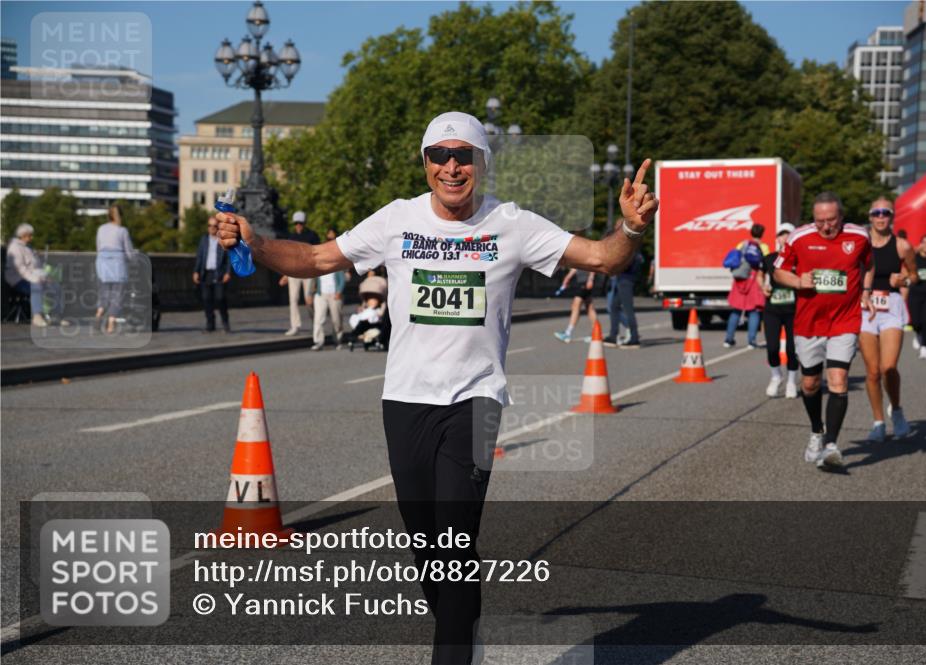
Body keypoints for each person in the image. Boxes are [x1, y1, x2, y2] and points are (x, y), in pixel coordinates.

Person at [216, 111, 658, 664]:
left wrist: (631, 228)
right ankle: (462, 628)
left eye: (463, 156)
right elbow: (314, 258)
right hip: (406, 402)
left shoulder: (512, 224)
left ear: (481, 163)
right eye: (440, 156)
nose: (452, 166)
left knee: (455, 543)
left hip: (475, 402)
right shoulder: (397, 220)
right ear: (425, 163)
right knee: (427, 549)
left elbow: (602, 258)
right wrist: (255, 242)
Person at [774, 192, 875, 469]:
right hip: (809, 322)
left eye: (831, 220)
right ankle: (817, 431)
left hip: (845, 320)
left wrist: (866, 291)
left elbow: (869, 264)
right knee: (810, 383)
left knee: (838, 380)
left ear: (841, 217)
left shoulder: (859, 236)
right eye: (820, 221)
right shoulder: (799, 237)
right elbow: (779, 271)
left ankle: (831, 445)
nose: (826, 226)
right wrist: (798, 281)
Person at [859, 198, 917, 442]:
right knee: (872, 372)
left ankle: (897, 410)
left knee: (888, 367)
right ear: (870, 216)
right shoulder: (859, 243)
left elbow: (914, 275)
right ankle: (878, 422)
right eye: (876, 213)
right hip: (865, 306)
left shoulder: (902, 246)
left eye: (886, 213)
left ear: (892, 216)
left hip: (891, 305)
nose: (881, 217)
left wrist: (904, 280)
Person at [757, 223, 799, 398]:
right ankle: (776, 376)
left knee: (792, 349)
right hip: (772, 309)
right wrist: (763, 287)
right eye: (782, 234)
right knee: (772, 348)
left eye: (788, 234)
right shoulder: (769, 258)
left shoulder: (800, 258)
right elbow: (760, 275)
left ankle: (791, 381)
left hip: (794, 310)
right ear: (777, 238)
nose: (785, 238)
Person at [4, 224, 67, 327]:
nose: (32, 237)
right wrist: (36, 279)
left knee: (56, 286)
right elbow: (20, 269)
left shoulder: (29, 247)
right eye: (30, 235)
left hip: (33, 277)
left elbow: (39, 266)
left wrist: (45, 276)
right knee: (36, 286)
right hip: (18, 280)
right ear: (23, 235)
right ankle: (37, 317)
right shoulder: (14, 248)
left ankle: (56, 316)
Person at [724, 223, 768, 349]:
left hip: (740, 279)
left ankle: (728, 339)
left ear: (751, 232)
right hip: (754, 279)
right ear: (762, 234)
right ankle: (751, 341)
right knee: (754, 311)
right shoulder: (763, 247)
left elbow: (736, 259)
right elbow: (765, 265)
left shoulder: (742, 244)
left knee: (736, 309)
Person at [94, 204, 136, 334]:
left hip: (102, 264)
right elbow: (129, 251)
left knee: (104, 293)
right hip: (118, 265)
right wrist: (134, 259)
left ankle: (99, 312)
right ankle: (111, 324)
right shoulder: (122, 230)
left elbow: (98, 247)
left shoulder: (101, 229)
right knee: (118, 295)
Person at [279, 210, 321, 336]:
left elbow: (318, 253)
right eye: (296, 223)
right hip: (294, 271)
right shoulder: (291, 237)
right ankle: (295, 325)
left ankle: (315, 323)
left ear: (304, 223)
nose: (298, 225)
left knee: (309, 299)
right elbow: (288, 257)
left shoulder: (312, 236)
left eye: (300, 223)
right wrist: (285, 274)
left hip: (308, 271)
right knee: (293, 299)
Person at [604, 220, 643, 349]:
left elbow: (627, 261)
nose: (616, 229)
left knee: (627, 309)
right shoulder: (631, 240)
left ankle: (634, 338)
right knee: (614, 306)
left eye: (617, 227)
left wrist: (616, 266)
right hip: (623, 278)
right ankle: (613, 336)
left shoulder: (629, 241)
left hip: (626, 279)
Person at [193, 216, 232, 333]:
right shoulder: (204, 239)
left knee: (220, 299)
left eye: (214, 226)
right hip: (206, 274)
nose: (212, 228)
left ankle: (225, 321)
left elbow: (229, 258)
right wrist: (196, 271)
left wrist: (228, 272)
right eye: (209, 226)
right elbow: (199, 256)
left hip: (219, 273)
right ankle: (210, 324)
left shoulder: (223, 240)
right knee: (206, 299)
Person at [312, 228, 347, 351]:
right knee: (318, 319)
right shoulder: (319, 259)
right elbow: (314, 276)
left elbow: (342, 278)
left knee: (336, 319)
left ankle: (338, 340)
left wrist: (339, 291)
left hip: (334, 293)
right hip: (321, 294)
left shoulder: (337, 259)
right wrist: (312, 291)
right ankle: (318, 341)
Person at [908, 233, 926, 359]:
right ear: (920, 244)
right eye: (924, 242)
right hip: (915, 293)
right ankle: (918, 334)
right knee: (915, 322)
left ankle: (924, 347)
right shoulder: (914, 258)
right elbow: (905, 261)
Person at [553, 264, 597, 343]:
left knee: (576, 306)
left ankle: (567, 333)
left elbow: (592, 264)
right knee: (589, 308)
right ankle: (596, 333)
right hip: (583, 281)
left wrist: (591, 278)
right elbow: (577, 265)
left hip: (585, 281)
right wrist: (568, 277)